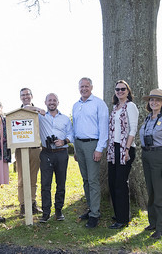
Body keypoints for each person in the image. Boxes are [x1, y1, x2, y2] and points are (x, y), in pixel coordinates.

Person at [139, 88, 162, 239]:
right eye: (151, 100)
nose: (154, 102)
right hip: (147, 155)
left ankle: (161, 228)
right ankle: (153, 222)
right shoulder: (147, 119)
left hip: (160, 156)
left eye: (157, 100)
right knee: (152, 190)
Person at [72, 77, 109, 228]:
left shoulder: (99, 104)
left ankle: (95, 214)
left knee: (93, 181)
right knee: (86, 180)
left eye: (87, 86)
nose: (84, 89)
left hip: (92, 145)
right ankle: (90, 208)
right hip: (79, 145)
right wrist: (75, 149)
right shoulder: (76, 105)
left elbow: (104, 128)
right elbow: (75, 129)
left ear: (92, 87)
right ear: (78, 88)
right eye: (82, 86)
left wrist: (99, 148)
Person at [107, 80, 139, 229]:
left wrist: (126, 149)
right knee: (112, 183)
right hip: (114, 148)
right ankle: (118, 213)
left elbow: (133, 129)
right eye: (117, 89)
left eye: (123, 89)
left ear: (128, 91)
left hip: (125, 148)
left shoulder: (130, 106)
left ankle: (123, 219)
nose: (120, 91)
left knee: (121, 184)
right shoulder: (115, 108)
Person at [37, 93, 74, 223]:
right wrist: (37, 110)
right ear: (45, 102)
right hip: (46, 152)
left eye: (54, 100)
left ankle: (58, 211)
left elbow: (71, 134)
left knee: (61, 183)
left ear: (58, 102)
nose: (52, 102)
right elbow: (26, 107)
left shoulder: (65, 119)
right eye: (49, 100)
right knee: (45, 184)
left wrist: (64, 141)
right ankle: (46, 212)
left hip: (61, 153)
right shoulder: (40, 117)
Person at [15, 88, 43, 215]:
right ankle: (23, 205)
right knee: (22, 178)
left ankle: (32, 203)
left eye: (27, 94)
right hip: (21, 150)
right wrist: (33, 108)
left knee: (33, 178)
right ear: (20, 97)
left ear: (32, 96)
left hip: (36, 149)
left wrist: (36, 109)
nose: (25, 96)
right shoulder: (17, 113)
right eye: (23, 95)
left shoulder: (39, 112)